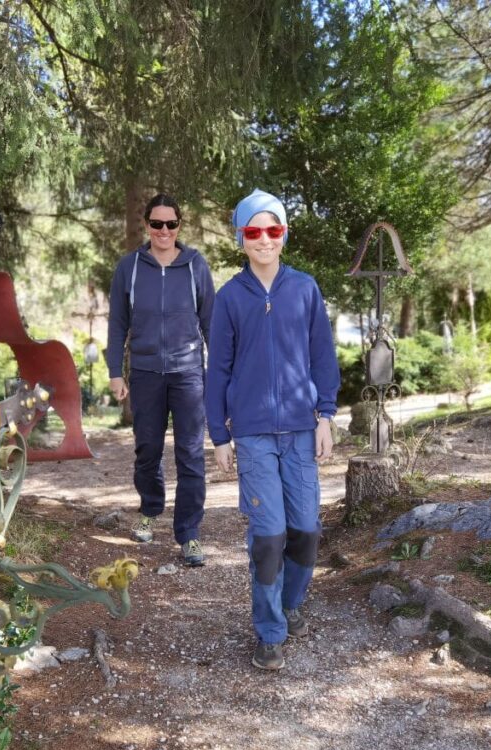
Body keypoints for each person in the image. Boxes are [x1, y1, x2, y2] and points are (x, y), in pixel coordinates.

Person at [205, 189, 340, 670]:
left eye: (273, 230)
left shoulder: (305, 289)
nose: (264, 240)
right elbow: (217, 370)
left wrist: (326, 416)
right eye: (254, 232)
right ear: (241, 237)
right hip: (254, 435)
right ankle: (269, 631)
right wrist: (219, 436)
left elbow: (323, 356)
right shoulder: (228, 298)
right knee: (269, 535)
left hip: (303, 431)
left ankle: (289, 601)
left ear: (285, 235)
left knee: (305, 530)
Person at [106, 193, 215, 567]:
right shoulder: (130, 267)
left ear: (179, 226)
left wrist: (218, 374)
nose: (164, 230)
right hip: (146, 372)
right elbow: (117, 322)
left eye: (171, 224)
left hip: (188, 373)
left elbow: (210, 322)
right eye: (157, 224)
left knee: (190, 453)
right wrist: (114, 372)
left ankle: (190, 534)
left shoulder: (196, 265)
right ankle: (150, 511)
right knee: (147, 449)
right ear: (147, 226)